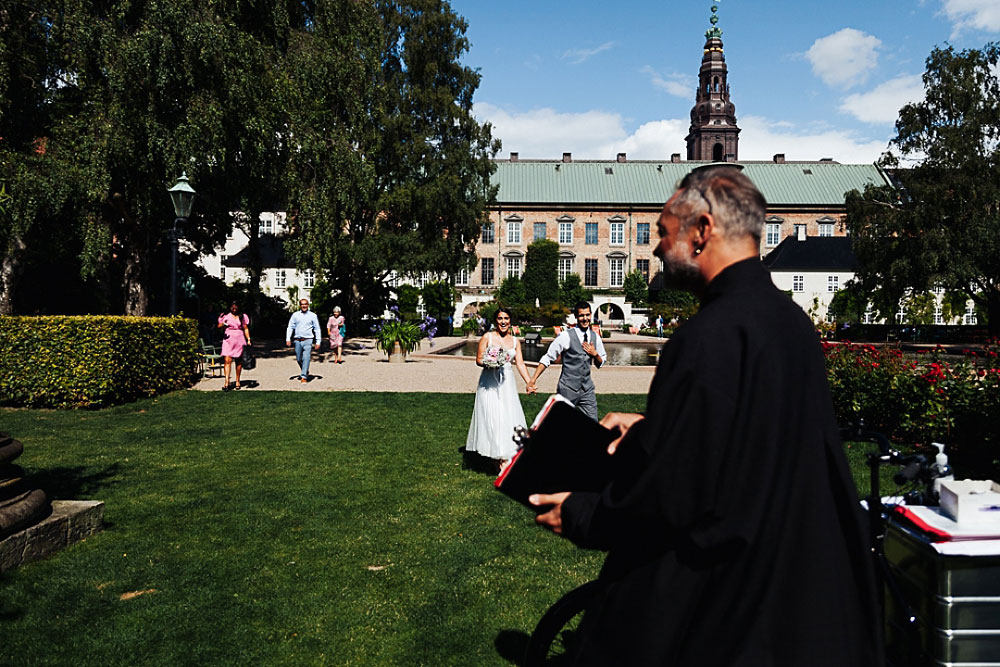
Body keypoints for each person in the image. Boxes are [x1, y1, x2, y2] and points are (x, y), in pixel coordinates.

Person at [529, 166, 882, 665]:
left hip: (725, 602)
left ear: (701, 230)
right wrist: (658, 427)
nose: (655, 248)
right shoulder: (789, 322)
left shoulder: (709, 336)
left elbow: (672, 496)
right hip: (799, 593)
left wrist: (585, 514)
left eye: (663, 231)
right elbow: (758, 437)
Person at [465, 307, 533, 471]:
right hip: (489, 383)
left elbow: (520, 363)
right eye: (500, 318)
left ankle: (503, 455)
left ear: (510, 320)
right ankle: (499, 457)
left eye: (506, 318)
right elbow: (478, 359)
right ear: (496, 321)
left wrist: (529, 381)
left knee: (507, 418)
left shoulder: (515, 341)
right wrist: (490, 362)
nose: (503, 321)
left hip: (506, 384)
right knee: (493, 418)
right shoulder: (487, 337)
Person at [527, 301, 607, 420]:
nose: (585, 319)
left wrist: (595, 354)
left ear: (591, 315)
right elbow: (548, 357)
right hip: (567, 389)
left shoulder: (595, 337)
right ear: (575, 316)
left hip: (587, 390)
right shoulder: (566, 336)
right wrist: (533, 380)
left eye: (587, 315)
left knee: (592, 424)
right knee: (562, 425)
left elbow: (601, 363)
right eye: (581, 315)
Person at [285, 298, 322, 383]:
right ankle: (305, 370)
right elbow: (290, 327)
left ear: (308, 305)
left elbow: (317, 329)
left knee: (306, 358)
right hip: (297, 340)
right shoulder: (295, 315)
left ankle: (304, 376)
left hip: (308, 339)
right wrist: (288, 338)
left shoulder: (313, 316)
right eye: (302, 304)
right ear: (300, 305)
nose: (304, 306)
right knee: (298, 359)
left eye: (305, 304)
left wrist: (318, 341)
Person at [217, 301, 250, 391]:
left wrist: (248, 339)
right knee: (227, 360)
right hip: (228, 339)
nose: (234, 308)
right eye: (232, 307)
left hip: (239, 340)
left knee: (238, 361)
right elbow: (219, 326)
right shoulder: (225, 316)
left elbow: (245, 328)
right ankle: (227, 382)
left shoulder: (242, 316)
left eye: (236, 307)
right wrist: (223, 324)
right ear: (230, 307)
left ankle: (237, 380)